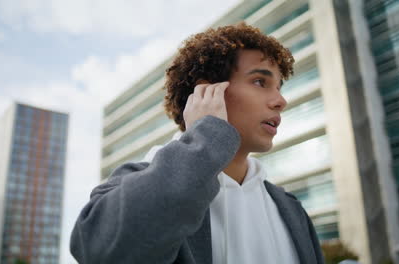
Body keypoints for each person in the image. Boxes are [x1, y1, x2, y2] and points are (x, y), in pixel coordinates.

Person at [70, 22, 325, 264]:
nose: (281, 100)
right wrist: (207, 137)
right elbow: (99, 250)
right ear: (207, 93)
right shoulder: (135, 179)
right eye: (260, 82)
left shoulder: (291, 209)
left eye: (279, 87)